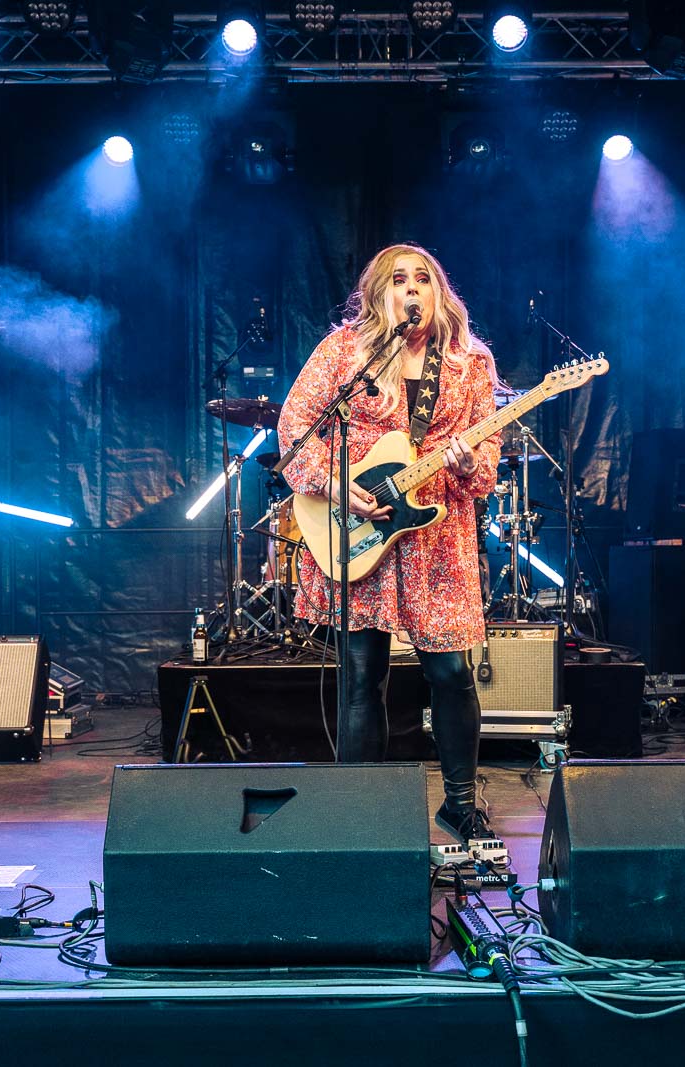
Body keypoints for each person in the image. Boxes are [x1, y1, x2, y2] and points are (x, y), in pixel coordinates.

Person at [278, 244, 501, 841]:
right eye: (398, 280)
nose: (412, 289)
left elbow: (486, 473)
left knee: (451, 673)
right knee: (360, 675)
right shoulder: (344, 353)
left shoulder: (469, 364)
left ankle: (459, 803)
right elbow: (295, 428)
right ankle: (362, 809)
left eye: (423, 279)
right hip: (356, 529)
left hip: (439, 536)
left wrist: (463, 462)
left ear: (438, 292)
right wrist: (338, 485)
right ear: (378, 294)